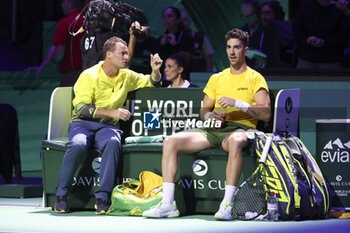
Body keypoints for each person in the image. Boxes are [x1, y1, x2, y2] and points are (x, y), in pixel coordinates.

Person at [143, 29, 271, 220]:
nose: (232, 52)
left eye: (236, 47)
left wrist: (239, 104)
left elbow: (266, 113)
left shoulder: (255, 78)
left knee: (236, 141)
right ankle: (168, 204)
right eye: (229, 47)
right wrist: (211, 114)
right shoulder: (217, 78)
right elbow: (203, 111)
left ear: (245, 50)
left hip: (239, 130)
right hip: (213, 130)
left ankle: (227, 204)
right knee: (170, 141)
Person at [54, 36, 163, 214]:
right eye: (123, 53)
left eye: (127, 53)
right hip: (82, 124)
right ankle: (61, 194)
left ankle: (103, 197)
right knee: (78, 144)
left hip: (108, 127)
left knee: (113, 143)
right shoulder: (89, 75)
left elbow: (153, 82)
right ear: (109, 55)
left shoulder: (126, 76)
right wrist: (113, 112)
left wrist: (155, 70)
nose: (127, 57)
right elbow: (81, 108)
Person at [25, 0, 85, 87]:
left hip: (71, 75)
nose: (61, 5)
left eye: (63, 2)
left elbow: (58, 55)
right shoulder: (91, 23)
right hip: (91, 74)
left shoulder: (65, 23)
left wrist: (49, 63)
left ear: (70, 4)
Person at [293, 0, 349, 69]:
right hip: (306, 60)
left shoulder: (340, 8)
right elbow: (296, 32)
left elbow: (343, 35)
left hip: (332, 61)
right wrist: (307, 40)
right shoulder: (306, 7)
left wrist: (325, 42)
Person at [159, 6, 195, 76]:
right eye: (164, 17)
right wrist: (161, 46)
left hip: (182, 78)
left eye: (170, 16)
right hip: (164, 79)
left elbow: (188, 60)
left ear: (178, 20)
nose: (166, 19)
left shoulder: (186, 38)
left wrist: (175, 46)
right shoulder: (161, 38)